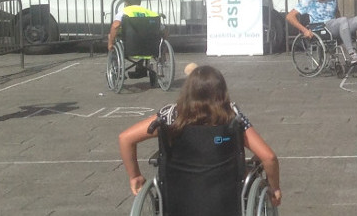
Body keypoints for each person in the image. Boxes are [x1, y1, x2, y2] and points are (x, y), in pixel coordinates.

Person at [118, 65, 282, 211]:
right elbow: (269, 157)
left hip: (178, 199)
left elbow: (125, 138)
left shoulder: (169, 116)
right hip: (224, 200)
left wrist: (135, 176)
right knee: (250, 167)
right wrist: (274, 189)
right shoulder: (232, 118)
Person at [107, 0, 162, 79]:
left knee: (112, 37)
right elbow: (164, 30)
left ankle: (116, 68)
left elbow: (115, 26)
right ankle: (141, 67)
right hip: (150, 49)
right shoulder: (152, 14)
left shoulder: (123, 13)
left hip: (130, 47)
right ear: (139, 2)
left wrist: (110, 43)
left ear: (125, 2)